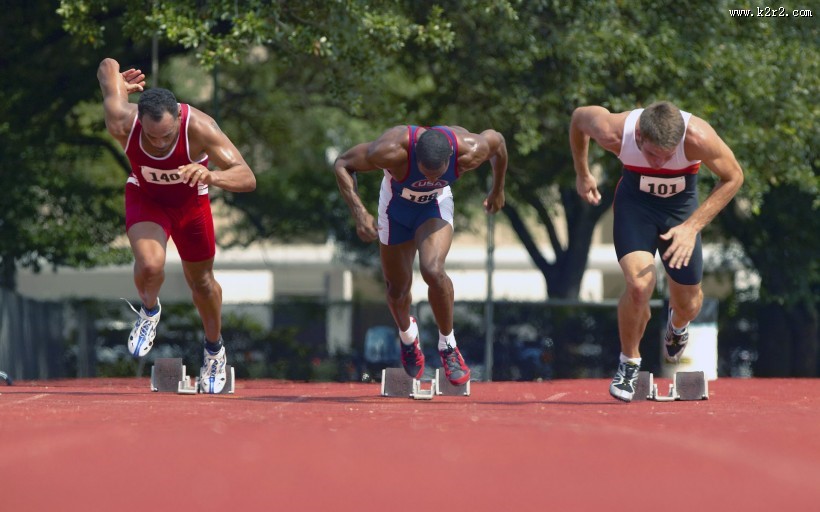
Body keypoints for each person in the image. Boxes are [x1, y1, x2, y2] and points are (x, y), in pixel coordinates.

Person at [97, 58, 256, 393]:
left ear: (179, 119)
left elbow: (247, 177)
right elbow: (107, 65)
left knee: (202, 284)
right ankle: (149, 311)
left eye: (167, 135)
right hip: (147, 199)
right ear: (139, 120)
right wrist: (117, 84)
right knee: (151, 264)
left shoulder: (200, 127)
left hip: (190, 206)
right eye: (152, 137)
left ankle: (214, 351)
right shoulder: (122, 121)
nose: (159, 143)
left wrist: (213, 175)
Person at [569, 101, 743, 401]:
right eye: (652, 155)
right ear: (639, 137)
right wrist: (582, 172)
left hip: (681, 211)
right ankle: (628, 363)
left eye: (668, 156)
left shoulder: (697, 137)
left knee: (688, 303)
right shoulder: (614, 131)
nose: (660, 164)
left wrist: (692, 227)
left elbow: (734, 176)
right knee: (639, 286)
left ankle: (677, 325)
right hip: (636, 208)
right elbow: (577, 120)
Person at [334, 125, 508, 385]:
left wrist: (497, 190)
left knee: (433, 270)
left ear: (451, 158)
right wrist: (360, 214)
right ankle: (407, 336)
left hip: (434, 207)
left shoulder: (470, 149)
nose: (428, 179)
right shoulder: (392, 149)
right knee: (396, 289)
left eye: (436, 175)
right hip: (396, 210)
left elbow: (499, 144)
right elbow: (343, 163)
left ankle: (448, 346)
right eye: (424, 172)